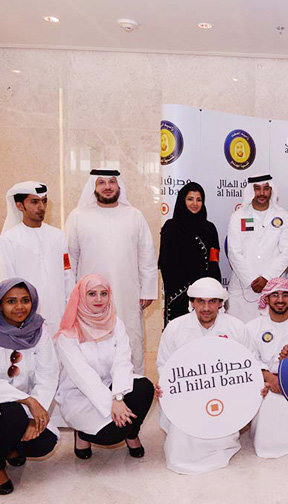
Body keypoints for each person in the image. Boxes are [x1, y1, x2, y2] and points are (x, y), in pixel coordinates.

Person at [156, 277, 254, 474]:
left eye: (212, 302)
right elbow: (164, 365)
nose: (207, 308)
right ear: (192, 302)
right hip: (187, 396)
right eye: (201, 301)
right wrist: (163, 385)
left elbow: (249, 364)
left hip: (225, 396)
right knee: (181, 447)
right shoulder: (175, 328)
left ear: (220, 303)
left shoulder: (236, 328)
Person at [65, 169, 158, 373]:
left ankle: (133, 383)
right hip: (90, 298)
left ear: (119, 186)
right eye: (101, 182)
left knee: (131, 338)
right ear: (93, 187)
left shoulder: (134, 216)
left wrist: (148, 290)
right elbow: (70, 259)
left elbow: (147, 255)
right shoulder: (78, 216)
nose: (107, 187)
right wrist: (70, 294)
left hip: (127, 294)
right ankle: (94, 386)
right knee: (93, 343)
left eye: (112, 182)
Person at [55, 274, 154, 460]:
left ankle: (132, 435)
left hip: (111, 386)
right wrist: (112, 404)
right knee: (112, 435)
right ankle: (82, 434)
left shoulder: (116, 324)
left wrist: (118, 397)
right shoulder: (68, 334)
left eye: (104, 293)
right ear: (81, 296)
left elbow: (122, 361)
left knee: (144, 387)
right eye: (92, 294)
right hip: (80, 395)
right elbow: (83, 376)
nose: (99, 299)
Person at [0, 279, 59, 495]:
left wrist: (35, 416)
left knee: (44, 441)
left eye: (25, 300)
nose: (19, 307)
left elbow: (48, 374)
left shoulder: (38, 329)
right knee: (13, 413)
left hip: (23, 406)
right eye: (11, 301)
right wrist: (28, 401)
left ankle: (9, 448)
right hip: (7, 404)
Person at [247, 278, 288, 459]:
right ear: (266, 298)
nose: (280, 300)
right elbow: (249, 360)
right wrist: (268, 377)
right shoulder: (252, 327)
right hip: (264, 380)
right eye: (275, 295)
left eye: (285, 295)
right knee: (267, 418)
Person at [0, 181, 74, 334]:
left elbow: (67, 274)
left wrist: (70, 308)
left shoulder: (58, 236)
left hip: (59, 315)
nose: (41, 207)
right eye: (34, 202)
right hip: (26, 319)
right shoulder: (9, 239)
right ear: (20, 205)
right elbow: (7, 282)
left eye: (44, 201)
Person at [227, 174, 288, 322]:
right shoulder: (238, 217)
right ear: (251, 191)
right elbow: (234, 252)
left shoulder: (283, 216)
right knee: (240, 329)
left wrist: (267, 278)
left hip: (274, 286)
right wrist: (251, 278)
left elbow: (286, 252)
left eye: (266, 189)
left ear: (271, 191)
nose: (262, 193)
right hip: (243, 286)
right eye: (257, 189)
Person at [158, 182, 221, 326]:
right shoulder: (171, 227)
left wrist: (211, 289)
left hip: (204, 294)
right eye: (190, 199)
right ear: (182, 200)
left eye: (199, 200)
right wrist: (186, 291)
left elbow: (213, 260)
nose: (195, 203)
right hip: (179, 293)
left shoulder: (209, 228)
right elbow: (167, 263)